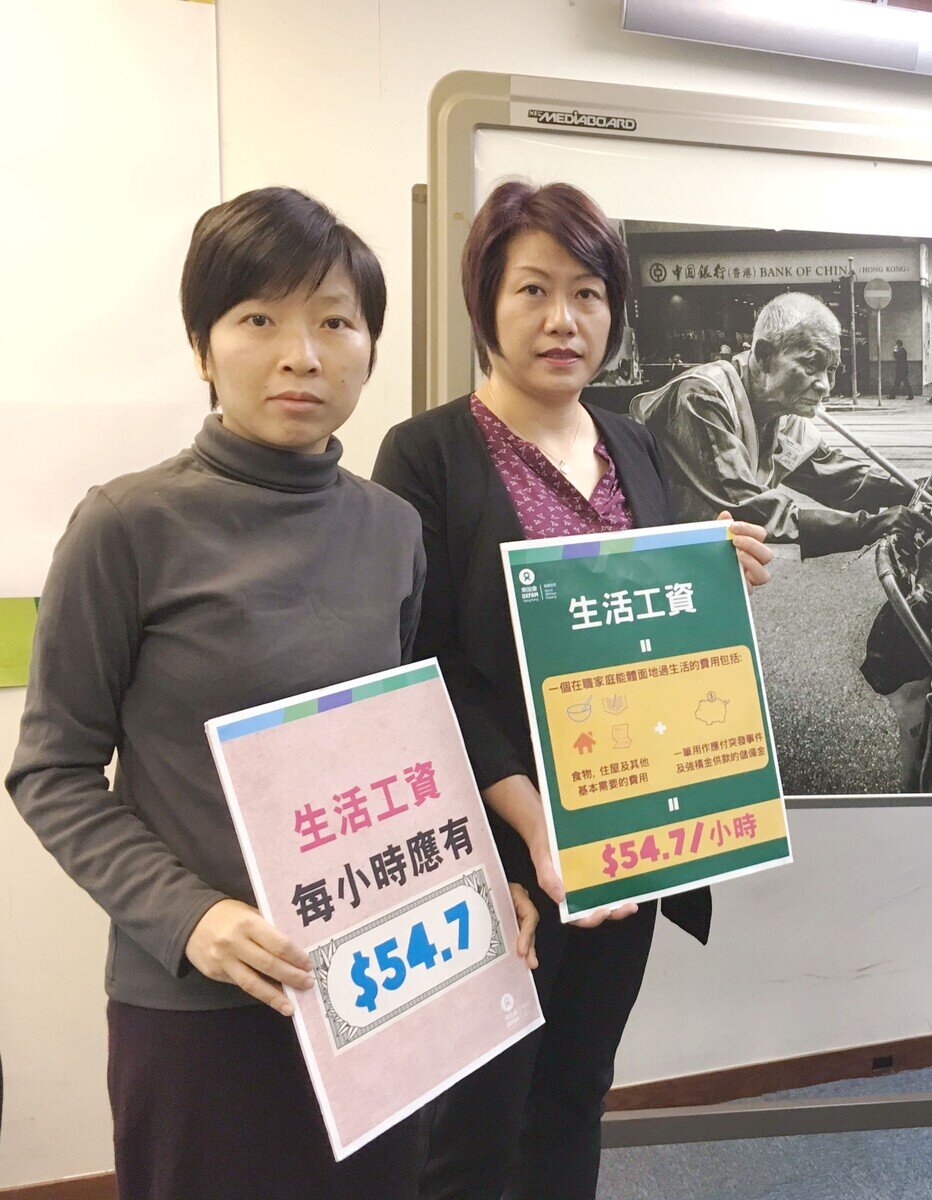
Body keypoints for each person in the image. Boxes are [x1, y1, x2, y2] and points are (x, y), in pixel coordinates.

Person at [3, 188, 533, 1200]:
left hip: (377, 979)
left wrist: (468, 865)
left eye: (336, 321)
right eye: (260, 320)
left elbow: (402, 741)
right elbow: (52, 769)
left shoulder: (391, 528)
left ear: (370, 344)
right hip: (203, 998)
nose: (304, 354)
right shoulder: (126, 525)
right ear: (203, 347)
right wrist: (187, 915)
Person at [372, 180, 775, 1200]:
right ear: (485, 304)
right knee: (476, 1122)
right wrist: (531, 820)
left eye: (589, 293)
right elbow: (422, 669)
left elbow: (647, 635)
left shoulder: (630, 442)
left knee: (575, 1093)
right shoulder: (426, 455)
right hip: (498, 849)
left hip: (623, 837)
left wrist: (707, 569)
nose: (563, 320)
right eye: (534, 290)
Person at [631, 292, 932, 557]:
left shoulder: (783, 410)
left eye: (831, 369)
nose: (825, 384)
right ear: (763, 355)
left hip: (692, 553)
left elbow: (833, 475)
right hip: (633, 555)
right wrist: (871, 525)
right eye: (811, 365)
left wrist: (909, 488)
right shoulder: (704, 396)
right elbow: (746, 508)